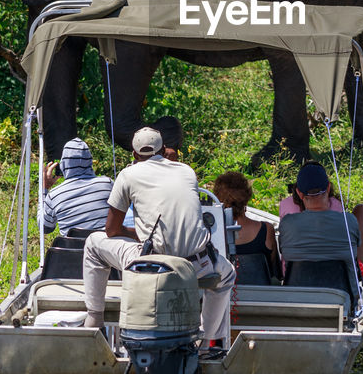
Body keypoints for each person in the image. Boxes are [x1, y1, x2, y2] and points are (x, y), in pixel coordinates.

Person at [82, 126, 237, 352]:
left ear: (134, 155)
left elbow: (111, 230)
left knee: (93, 244)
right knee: (227, 275)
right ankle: (204, 344)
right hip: (199, 266)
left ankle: (94, 321)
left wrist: (134, 234)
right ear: (164, 149)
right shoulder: (186, 171)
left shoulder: (128, 175)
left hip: (152, 265)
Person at [277, 162, 363, 297]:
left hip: (296, 299)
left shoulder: (287, 224)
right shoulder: (349, 221)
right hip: (343, 300)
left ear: (299, 193)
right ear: (328, 188)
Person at [213, 171, 279, 285]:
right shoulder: (267, 230)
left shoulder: (212, 234)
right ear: (247, 197)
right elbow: (275, 272)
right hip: (261, 296)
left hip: (224, 298)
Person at [40, 138, 113, 237]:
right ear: (90, 161)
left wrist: (44, 189)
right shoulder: (107, 184)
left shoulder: (54, 195)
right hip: (104, 249)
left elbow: (45, 227)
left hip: (72, 251)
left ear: (63, 164)